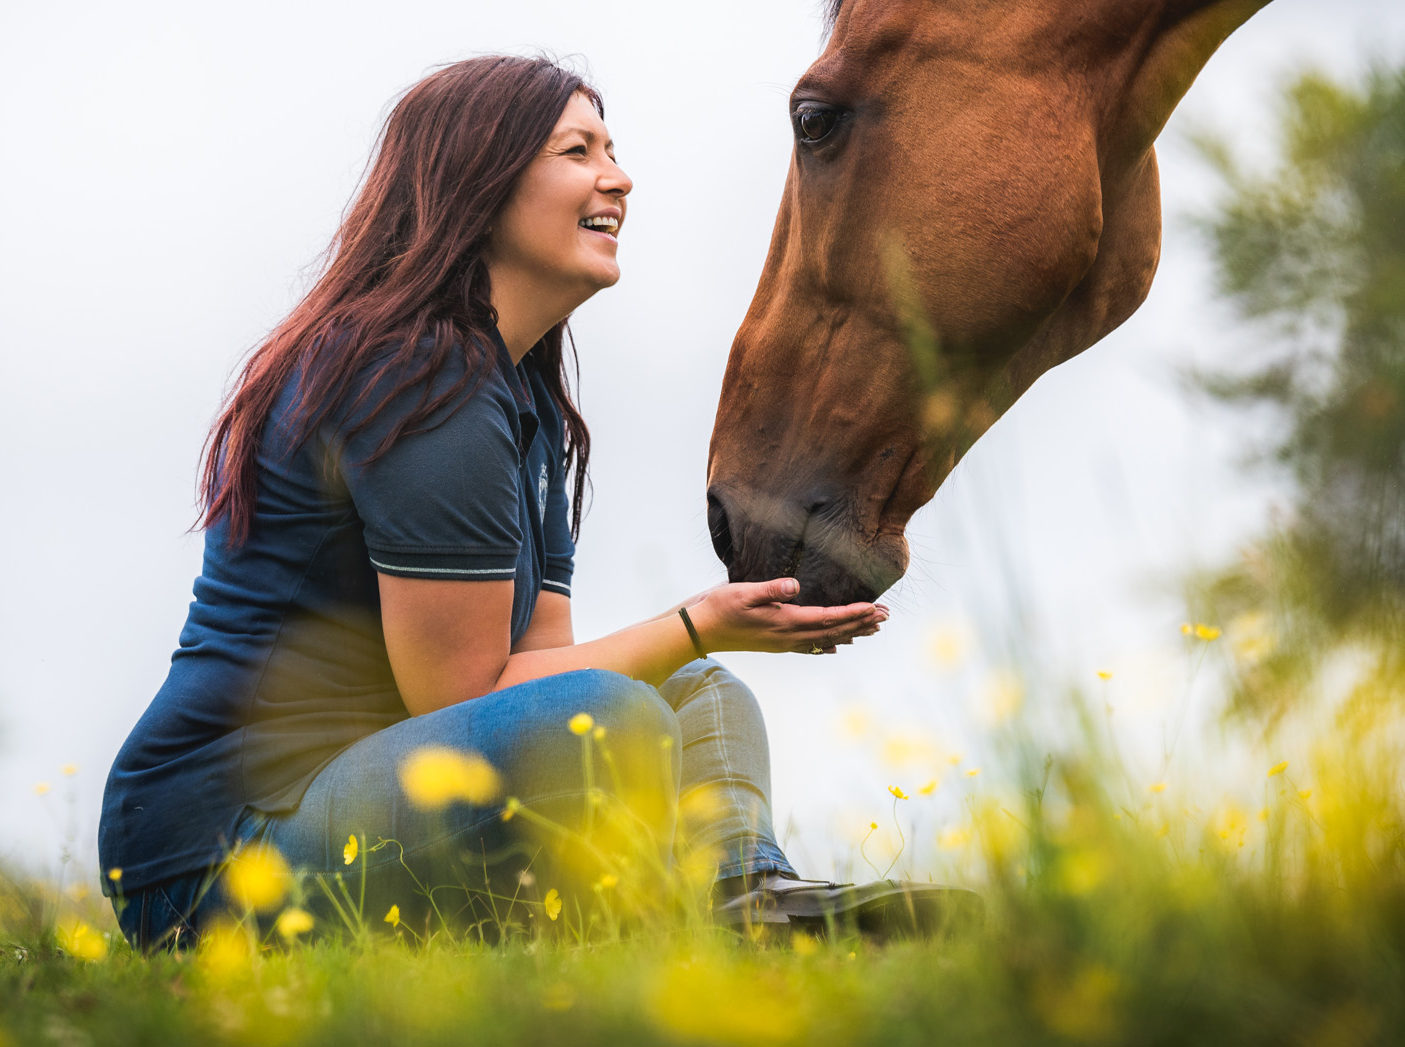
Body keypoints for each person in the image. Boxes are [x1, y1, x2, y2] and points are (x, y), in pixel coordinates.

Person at [99, 55, 942, 949]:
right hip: (217, 858)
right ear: (479, 183)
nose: (618, 176)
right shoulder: (416, 379)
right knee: (616, 718)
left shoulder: (525, 401)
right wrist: (698, 618)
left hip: (374, 794)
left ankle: (746, 902)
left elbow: (541, 663)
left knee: (699, 692)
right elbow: (460, 694)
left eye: (612, 149)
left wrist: (702, 641)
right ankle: (667, 920)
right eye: (577, 150)